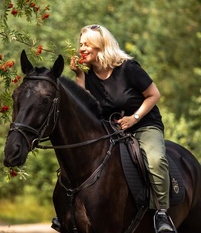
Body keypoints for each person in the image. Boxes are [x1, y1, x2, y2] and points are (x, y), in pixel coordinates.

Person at [51, 25, 176, 233]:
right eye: (80, 44)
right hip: (111, 129)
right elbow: (85, 109)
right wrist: (79, 76)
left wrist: (133, 118)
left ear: (100, 46)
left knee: (155, 160)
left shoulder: (129, 68)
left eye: (86, 44)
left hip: (143, 124)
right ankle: (69, 212)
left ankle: (161, 213)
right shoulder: (88, 75)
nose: (81, 49)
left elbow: (154, 95)